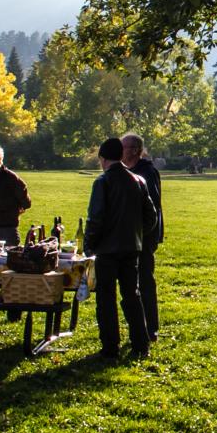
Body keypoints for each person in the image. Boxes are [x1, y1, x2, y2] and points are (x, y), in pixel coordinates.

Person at [85, 137, 158, 361]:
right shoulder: (138, 180)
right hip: (131, 247)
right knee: (132, 296)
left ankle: (110, 347)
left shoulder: (103, 182)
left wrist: (89, 244)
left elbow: (96, 218)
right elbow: (151, 216)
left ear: (103, 159)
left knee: (106, 299)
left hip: (107, 250)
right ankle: (140, 343)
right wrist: (136, 233)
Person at [122, 132, 163, 343]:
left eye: (125, 147)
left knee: (145, 281)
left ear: (136, 150)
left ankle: (151, 328)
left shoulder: (147, 172)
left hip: (144, 236)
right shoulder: (128, 171)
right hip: (131, 235)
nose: (122, 151)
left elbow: (152, 208)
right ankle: (139, 326)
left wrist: (146, 234)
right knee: (133, 282)